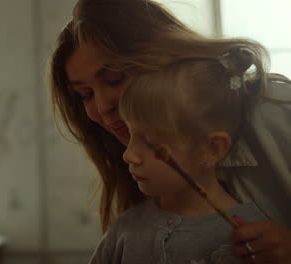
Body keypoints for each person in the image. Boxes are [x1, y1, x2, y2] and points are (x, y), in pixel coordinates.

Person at [48, 0, 291, 262]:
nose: (102, 106)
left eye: (114, 79)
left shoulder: (275, 113)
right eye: (85, 94)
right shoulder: (133, 221)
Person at [89, 47, 269, 264]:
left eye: (151, 143)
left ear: (213, 149)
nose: (129, 155)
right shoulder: (123, 230)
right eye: (131, 134)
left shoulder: (257, 240)